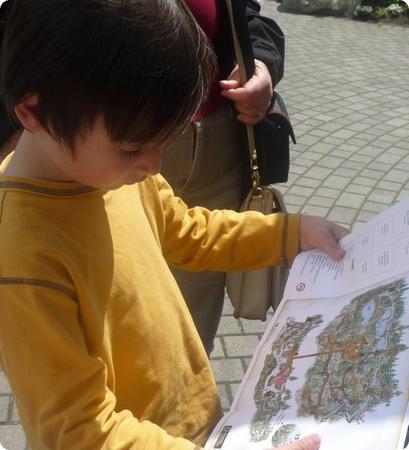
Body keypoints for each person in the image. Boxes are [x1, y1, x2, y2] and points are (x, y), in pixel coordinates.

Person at [0, 0, 347, 449]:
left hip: (194, 427)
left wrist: (292, 233)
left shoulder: (115, 174)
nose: (153, 164)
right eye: (132, 147)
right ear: (34, 113)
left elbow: (189, 232)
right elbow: (80, 432)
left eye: (166, 140)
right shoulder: (22, 257)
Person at [161, 0, 286, 354]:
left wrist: (260, 65)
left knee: (195, 306)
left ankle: (185, 400)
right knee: (115, 289)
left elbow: (246, 16)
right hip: (120, 138)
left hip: (217, 145)